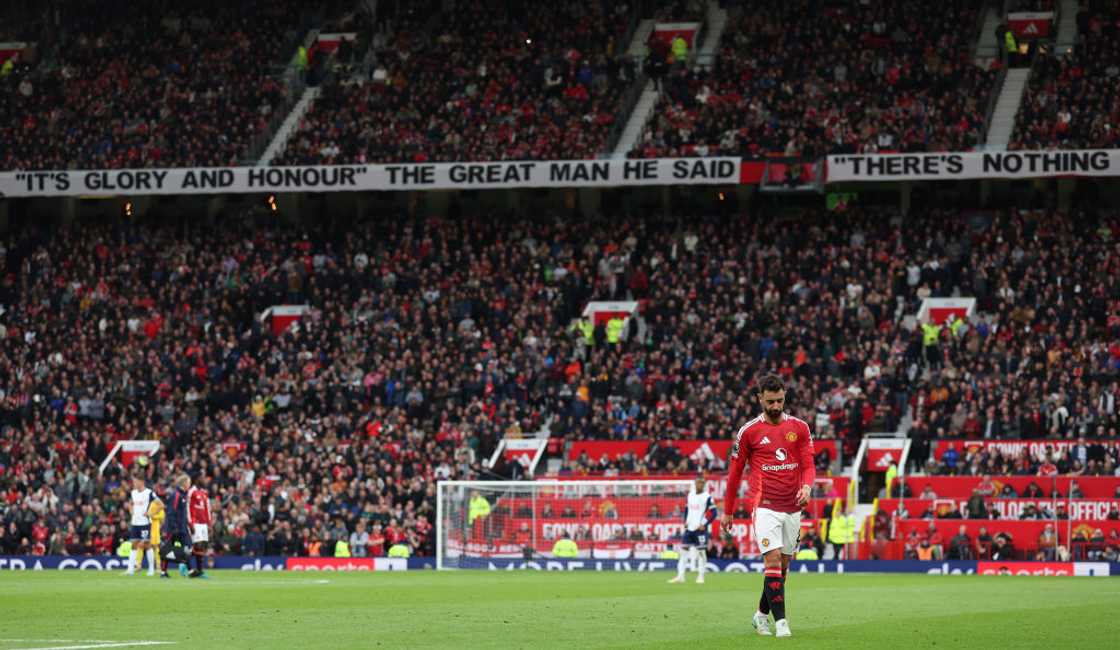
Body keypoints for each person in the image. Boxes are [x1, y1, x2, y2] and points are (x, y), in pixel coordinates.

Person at [722, 374, 815, 638]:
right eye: (770, 401)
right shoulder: (749, 432)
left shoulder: (800, 428)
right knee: (772, 560)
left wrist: (807, 486)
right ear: (759, 398)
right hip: (764, 507)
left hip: (793, 507)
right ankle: (782, 623)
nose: (775, 406)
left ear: (785, 396)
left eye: (780, 401)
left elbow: (808, 464)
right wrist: (728, 510)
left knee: (783, 567)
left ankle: (761, 615)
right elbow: (734, 475)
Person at [668, 477, 717, 584]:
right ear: (695, 483)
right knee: (683, 552)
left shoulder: (707, 497)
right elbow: (687, 509)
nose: (699, 485)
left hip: (699, 530)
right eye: (698, 483)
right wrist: (685, 521)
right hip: (689, 529)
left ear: (704, 485)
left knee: (701, 553)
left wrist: (704, 524)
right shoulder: (690, 495)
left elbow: (714, 513)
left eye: (701, 483)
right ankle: (680, 576)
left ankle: (701, 576)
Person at [124, 474, 158, 577]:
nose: (134, 483)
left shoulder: (149, 493)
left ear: (141, 482)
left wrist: (150, 514)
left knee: (147, 545)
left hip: (145, 523)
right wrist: (131, 510)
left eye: (135, 481)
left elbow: (160, 504)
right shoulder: (133, 493)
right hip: (135, 523)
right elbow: (130, 503)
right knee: (134, 545)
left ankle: (151, 569)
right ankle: (130, 570)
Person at [160, 474, 192, 578]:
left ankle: (189, 570)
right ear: (184, 483)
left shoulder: (183, 495)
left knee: (186, 548)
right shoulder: (176, 495)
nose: (189, 484)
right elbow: (171, 512)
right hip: (174, 528)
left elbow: (182, 513)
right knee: (168, 549)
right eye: (188, 482)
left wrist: (187, 525)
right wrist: (174, 528)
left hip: (182, 527)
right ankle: (163, 572)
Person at [186, 477, 212, 578]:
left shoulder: (204, 493)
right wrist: (190, 523)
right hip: (195, 522)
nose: (204, 480)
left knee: (202, 547)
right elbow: (188, 507)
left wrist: (209, 524)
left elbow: (207, 509)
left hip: (203, 524)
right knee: (198, 546)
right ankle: (196, 569)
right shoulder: (191, 492)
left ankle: (191, 566)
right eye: (202, 478)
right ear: (197, 480)